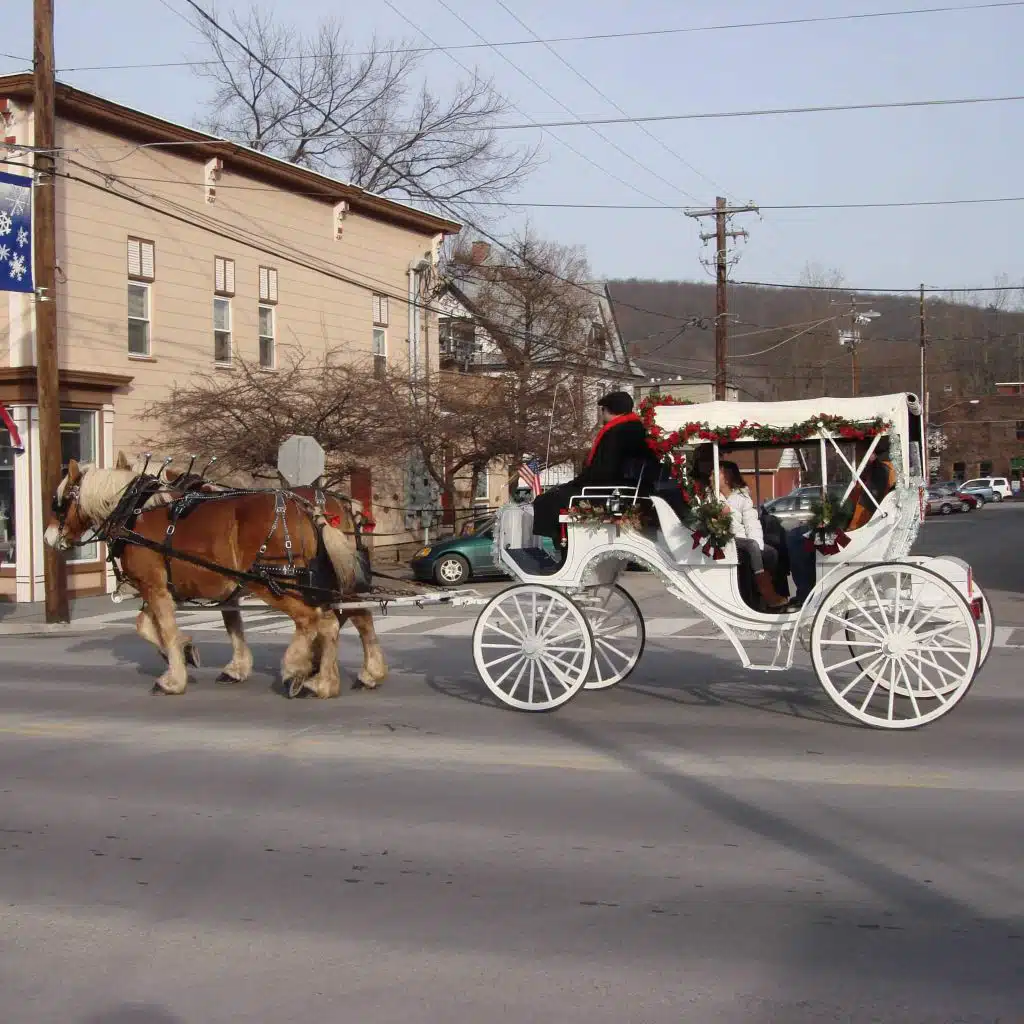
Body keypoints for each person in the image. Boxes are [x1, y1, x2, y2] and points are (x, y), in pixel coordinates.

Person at [531, 390, 660, 541]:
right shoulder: (637, 430)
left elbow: (602, 471)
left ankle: (563, 545)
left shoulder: (615, 434)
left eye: (603, 410)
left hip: (610, 491)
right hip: (627, 489)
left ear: (609, 410)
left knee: (548, 500)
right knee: (558, 494)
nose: (602, 415)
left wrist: (575, 483)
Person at [785, 436, 897, 606]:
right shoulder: (878, 469)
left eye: (859, 448)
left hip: (856, 533)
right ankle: (805, 590)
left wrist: (838, 526)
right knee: (799, 534)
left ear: (870, 450)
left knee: (796, 538)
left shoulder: (881, 471)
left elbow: (863, 509)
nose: (857, 453)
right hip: (854, 526)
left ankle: (806, 594)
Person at [719, 461, 790, 610]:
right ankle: (765, 589)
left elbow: (752, 522)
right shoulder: (713, 498)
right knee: (752, 546)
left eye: (716, 473)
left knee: (771, 552)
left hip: (744, 539)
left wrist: (758, 546)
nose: (712, 476)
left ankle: (777, 591)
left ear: (726, 478)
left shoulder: (742, 497)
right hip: (728, 539)